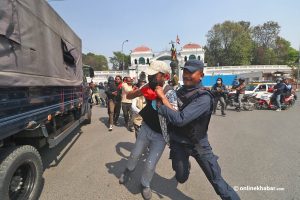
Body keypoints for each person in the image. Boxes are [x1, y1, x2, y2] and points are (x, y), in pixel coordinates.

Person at [155, 60, 240, 200]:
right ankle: (185, 165)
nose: (187, 76)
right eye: (185, 72)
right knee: (181, 177)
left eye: (191, 73)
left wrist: (162, 106)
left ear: (201, 75)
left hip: (198, 144)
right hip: (178, 142)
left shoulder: (204, 97)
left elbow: (180, 119)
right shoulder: (179, 91)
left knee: (218, 182)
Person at [119, 61, 177, 200]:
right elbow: (130, 96)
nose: (150, 77)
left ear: (163, 76)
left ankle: (145, 184)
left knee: (150, 164)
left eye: (154, 75)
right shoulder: (148, 85)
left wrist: (162, 96)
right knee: (134, 154)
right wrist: (140, 90)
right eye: (149, 75)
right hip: (145, 128)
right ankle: (128, 170)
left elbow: (175, 115)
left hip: (160, 136)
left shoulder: (170, 92)